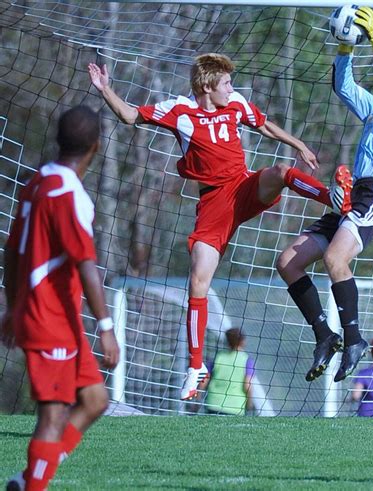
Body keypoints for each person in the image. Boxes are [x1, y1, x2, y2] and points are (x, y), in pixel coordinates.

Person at [88, 53, 352, 401]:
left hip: (243, 187)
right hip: (213, 205)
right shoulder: (180, 111)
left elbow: (264, 125)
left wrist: (298, 144)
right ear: (209, 87)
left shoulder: (237, 104)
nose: (232, 88)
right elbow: (129, 115)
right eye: (227, 83)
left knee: (279, 173)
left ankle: (333, 199)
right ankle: (195, 367)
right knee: (198, 280)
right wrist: (105, 89)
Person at [277, 7, 373, 383]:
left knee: (335, 258)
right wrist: (347, 46)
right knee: (288, 262)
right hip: (353, 195)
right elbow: (342, 86)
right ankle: (325, 335)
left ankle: (354, 339)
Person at [1, 105, 120, 491]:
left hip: (55, 318)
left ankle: (26, 480)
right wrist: (106, 328)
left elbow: (11, 249)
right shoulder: (68, 195)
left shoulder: (38, 182)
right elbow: (86, 264)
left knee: (95, 400)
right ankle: (35, 484)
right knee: (51, 419)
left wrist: (11, 304)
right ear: (96, 146)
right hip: (50, 318)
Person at [202, 328, 254, 416]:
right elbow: (247, 385)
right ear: (242, 341)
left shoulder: (218, 357)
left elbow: (204, 380)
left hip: (213, 404)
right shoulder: (247, 360)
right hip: (235, 407)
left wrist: (197, 400)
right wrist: (249, 403)